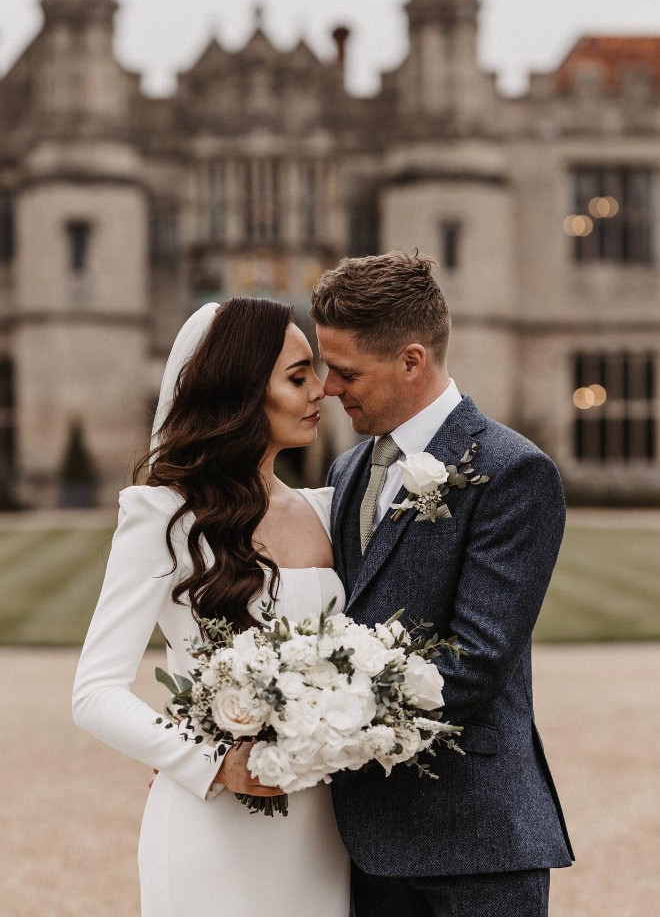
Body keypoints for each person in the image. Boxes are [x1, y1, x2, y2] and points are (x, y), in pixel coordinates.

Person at [310, 250, 574, 917]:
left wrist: (307, 719)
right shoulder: (346, 472)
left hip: (475, 841)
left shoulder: (513, 472)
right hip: (364, 841)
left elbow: (477, 660)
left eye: (345, 372)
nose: (327, 389)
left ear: (411, 360)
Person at [72, 297, 351, 917]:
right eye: (298, 376)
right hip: (212, 824)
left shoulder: (330, 511)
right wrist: (213, 764)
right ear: (245, 390)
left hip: (324, 829)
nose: (322, 391)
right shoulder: (163, 516)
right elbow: (94, 691)